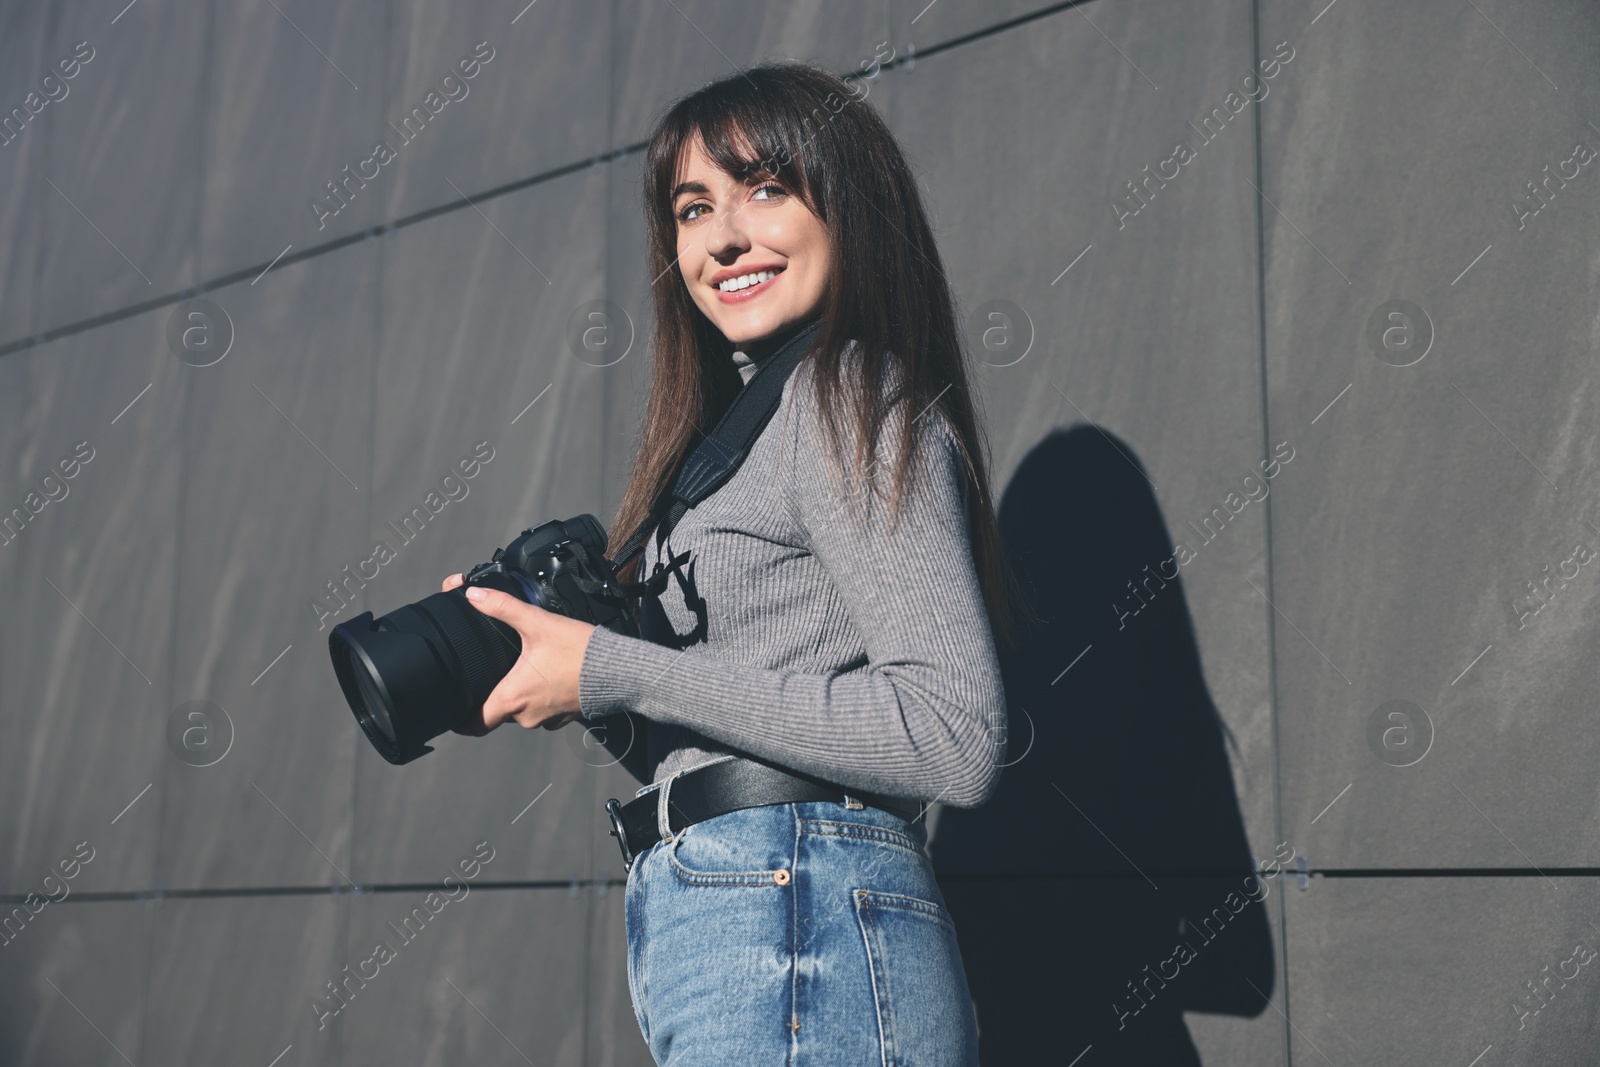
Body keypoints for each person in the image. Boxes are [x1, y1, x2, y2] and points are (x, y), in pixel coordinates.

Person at [445, 61, 1019, 1064]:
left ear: (850, 203)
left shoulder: (847, 393)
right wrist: (580, 682)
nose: (722, 237)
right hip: (733, 902)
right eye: (692, 207)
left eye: (764, 188)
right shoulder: (730, 438)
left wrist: (613, 665)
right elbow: (738, 740)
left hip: (796, 907)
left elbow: (953, 731)